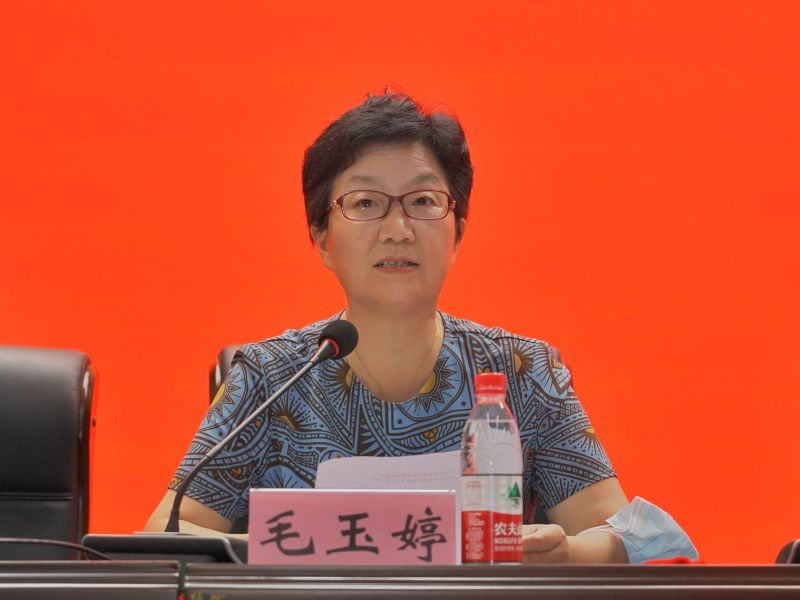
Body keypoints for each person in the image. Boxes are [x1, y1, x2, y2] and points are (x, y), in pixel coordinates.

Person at [146, 93, 696, 564]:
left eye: (423, 202)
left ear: (457, 234)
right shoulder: (271, 377)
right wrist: (292, 545)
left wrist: (569, 553)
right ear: (321, 239)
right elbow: (165, 534)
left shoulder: (521, 371)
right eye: (365, 202)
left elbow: (628, 536)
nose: (398, 228)